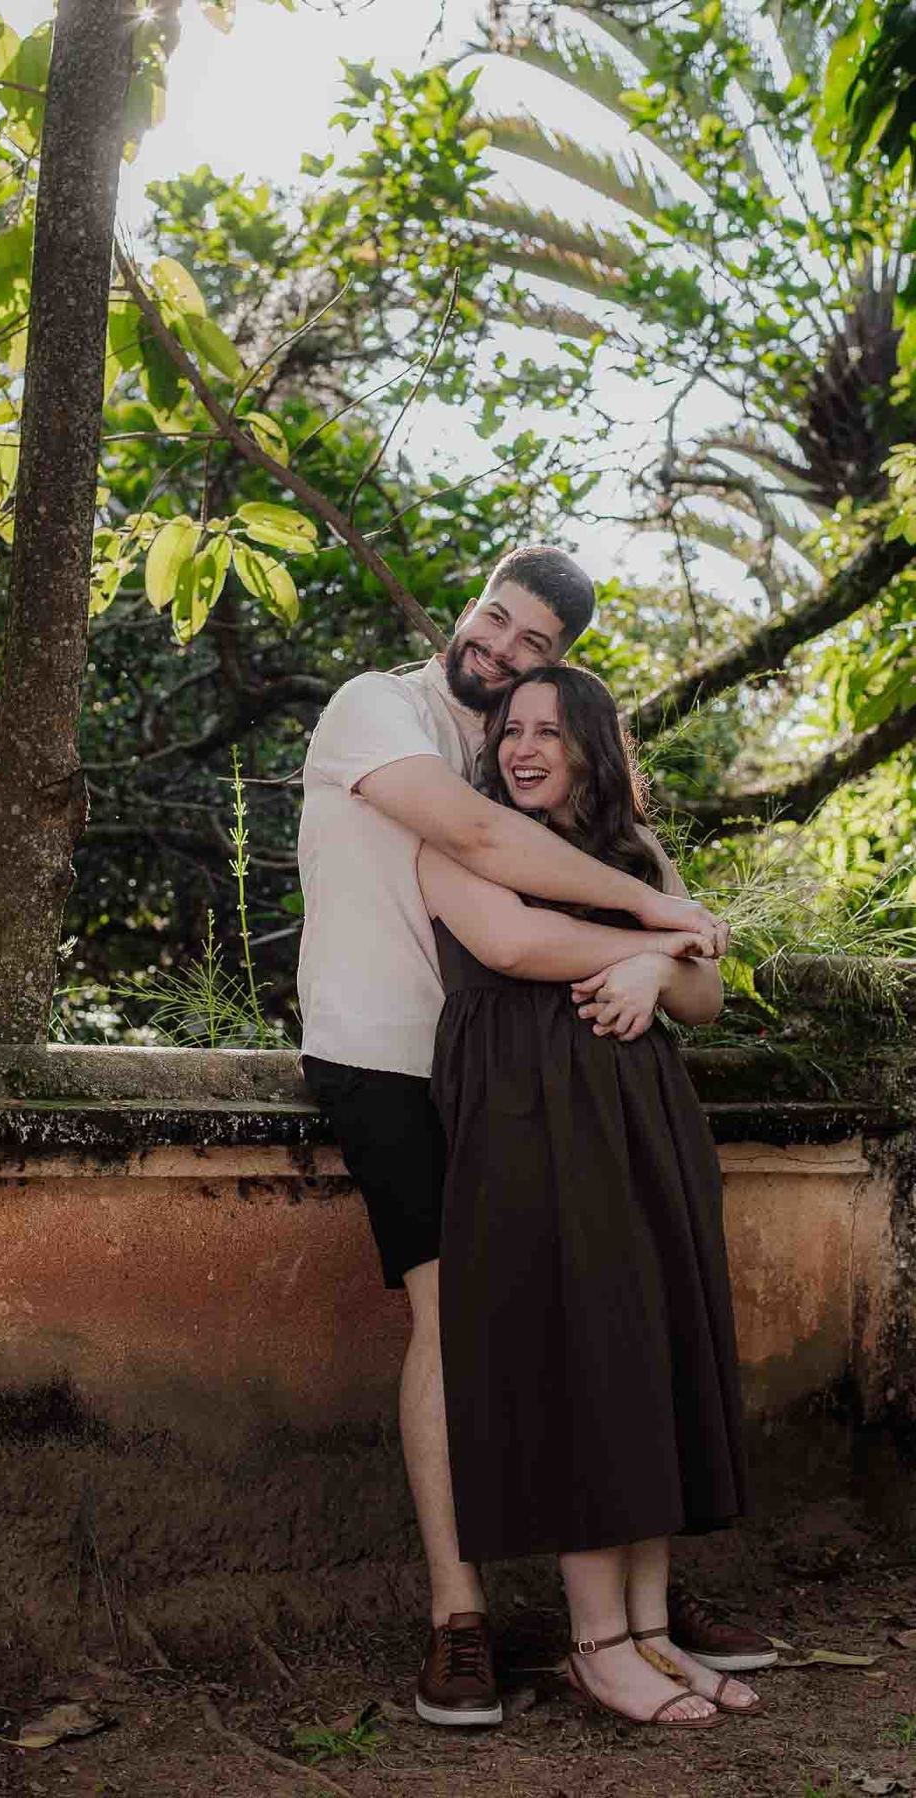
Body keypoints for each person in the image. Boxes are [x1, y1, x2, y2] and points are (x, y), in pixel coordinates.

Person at [297, 546, 773, 1726]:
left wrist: (658, 953)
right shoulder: (379, 709)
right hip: (388, 1054)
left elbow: (677, 960)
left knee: (604, 1316)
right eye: (497, 620)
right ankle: (463, 1615)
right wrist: (658, 923)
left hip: (522, 1076)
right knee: (454, 1316)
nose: (504, 653)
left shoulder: (512, 751)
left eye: (536, 651)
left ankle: (633, 1605)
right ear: (470, 603)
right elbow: (488, 864)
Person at [418, 665, 758, 1728]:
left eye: (550, 732)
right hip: (527, 1116)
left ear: (592, 748)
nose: (524, 748)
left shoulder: (634, 854)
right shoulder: (457, 839)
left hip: (642, 1119)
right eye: (511, 729)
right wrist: (658, 943)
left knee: (645, 1351)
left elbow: (706, 996)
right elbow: (514, 945)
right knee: (581, 1359)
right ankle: (596, 1644)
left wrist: (661, 973)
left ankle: (650, 1632)